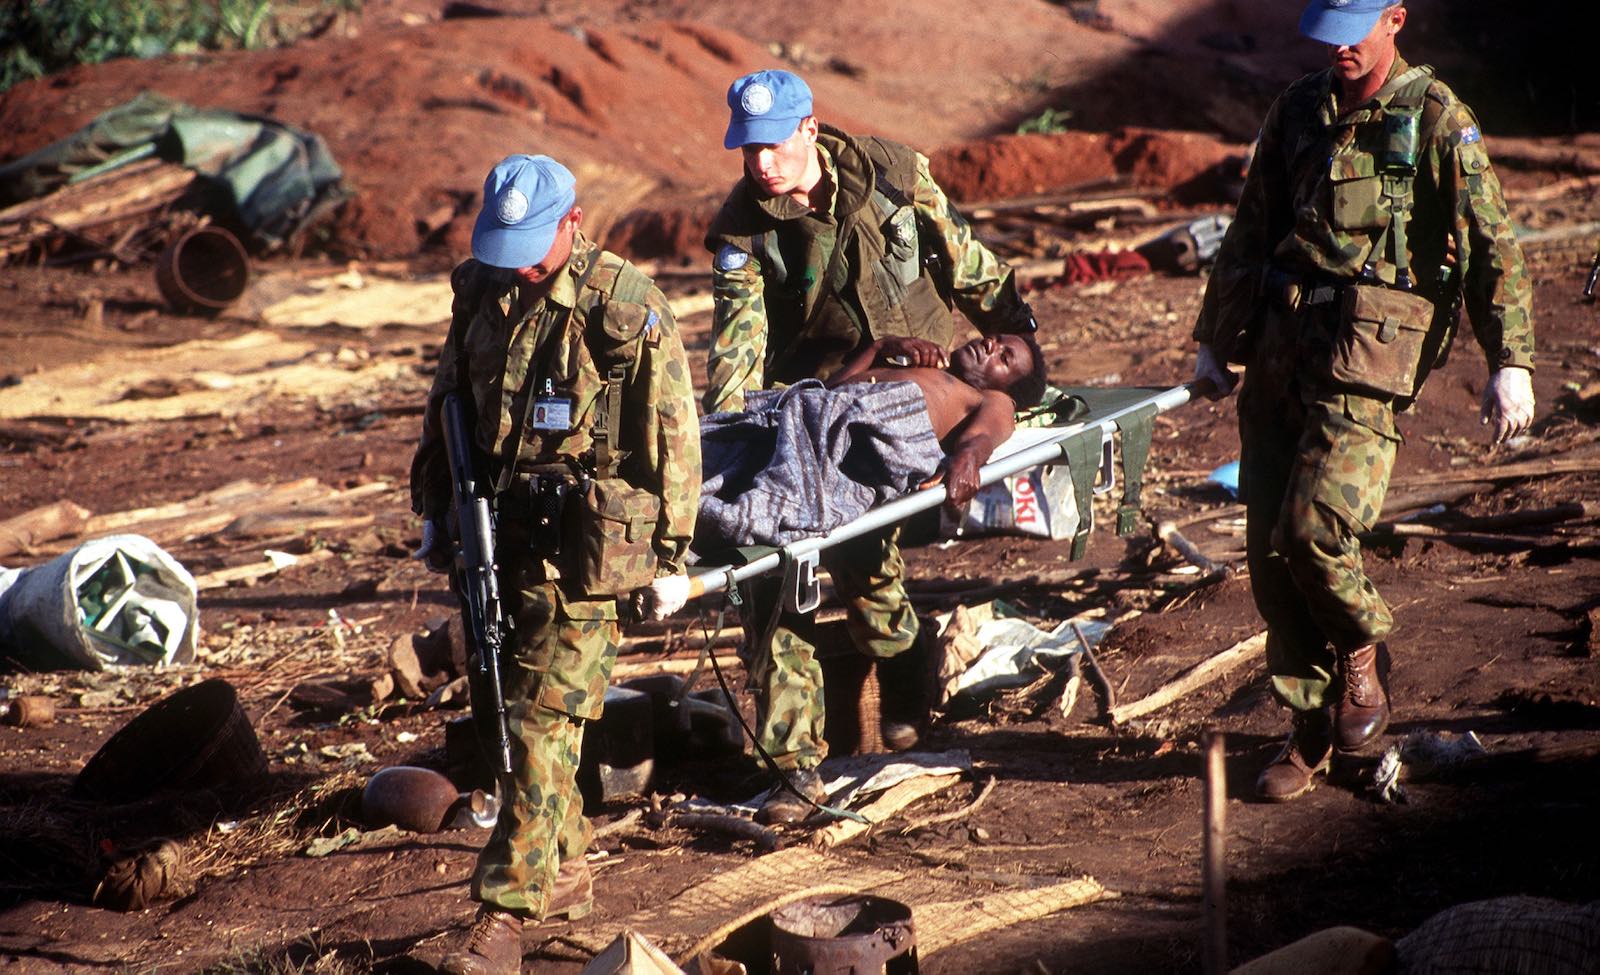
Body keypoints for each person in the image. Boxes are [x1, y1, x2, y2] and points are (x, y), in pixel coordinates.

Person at [1190, 0, 1535, 802]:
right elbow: (1250, 228)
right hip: (1279, 350)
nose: (1339, 49)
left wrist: (1510, 360)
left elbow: (1491, 245)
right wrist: (1215, 337)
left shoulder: (1438, 117)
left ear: (1395, 19)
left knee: (1313, 529)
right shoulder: (1298, 108)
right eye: (1329, 34)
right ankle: (1308, 728)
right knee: (1270, 556)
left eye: (1355, 32)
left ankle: (1360, 648)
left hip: (1365, 358)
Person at [705, 68, 1040, 824]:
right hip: (815, 406)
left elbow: (968, 263)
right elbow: (737, 347)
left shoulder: (892, 174)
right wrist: (730, 441)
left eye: (772, 145)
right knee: (772, 574)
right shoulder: (743, 231)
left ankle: (906, 662)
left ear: (810, 128)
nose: (760, 163)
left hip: (901, 418)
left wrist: (1018, 347)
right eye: (747, 149)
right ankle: (795, 767)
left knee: (869, 580)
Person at [409, 154, 700, 973]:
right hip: (494, 542)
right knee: (508, 710)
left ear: (575, 222)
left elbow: (673, 435)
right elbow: (447, 401)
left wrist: (671, 553)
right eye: (508, 250)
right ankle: (563, 865)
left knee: (541, 723)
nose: (521, 267)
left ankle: (502, 917)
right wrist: (434, 504)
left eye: (534, 249)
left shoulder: (625, 307)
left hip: (583, 557)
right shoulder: (480, 288)